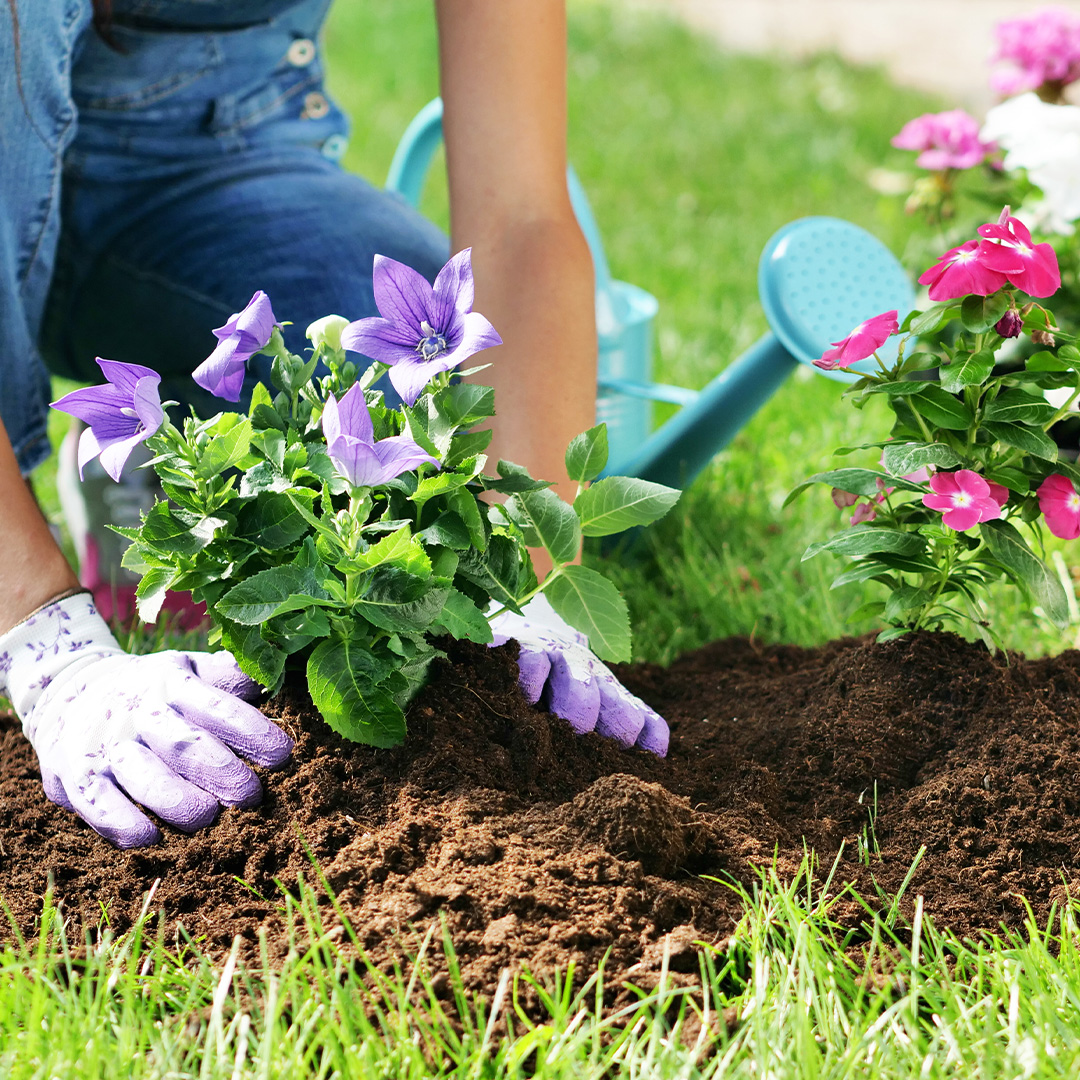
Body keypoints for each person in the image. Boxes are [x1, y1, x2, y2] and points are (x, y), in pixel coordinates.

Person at [0, 0, 668, 850]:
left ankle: (150, 458)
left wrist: (519, 581)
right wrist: (47, 645)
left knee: (400, 389)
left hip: (202, 153)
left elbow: (521, 219)